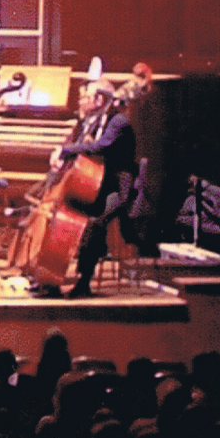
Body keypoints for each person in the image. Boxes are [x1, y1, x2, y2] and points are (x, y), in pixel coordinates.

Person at [46, 79, 137, 298]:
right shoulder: (95, 121)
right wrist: (62, 156)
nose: (82, 101)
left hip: (118, 189)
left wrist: (66, 150)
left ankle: (83, 281)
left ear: (99, 99)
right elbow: (85, 147)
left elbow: (101, 146)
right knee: (64, 214)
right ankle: (50, 277)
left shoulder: (118, 122)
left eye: (86, 97)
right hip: (99, 185)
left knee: (94, 224)